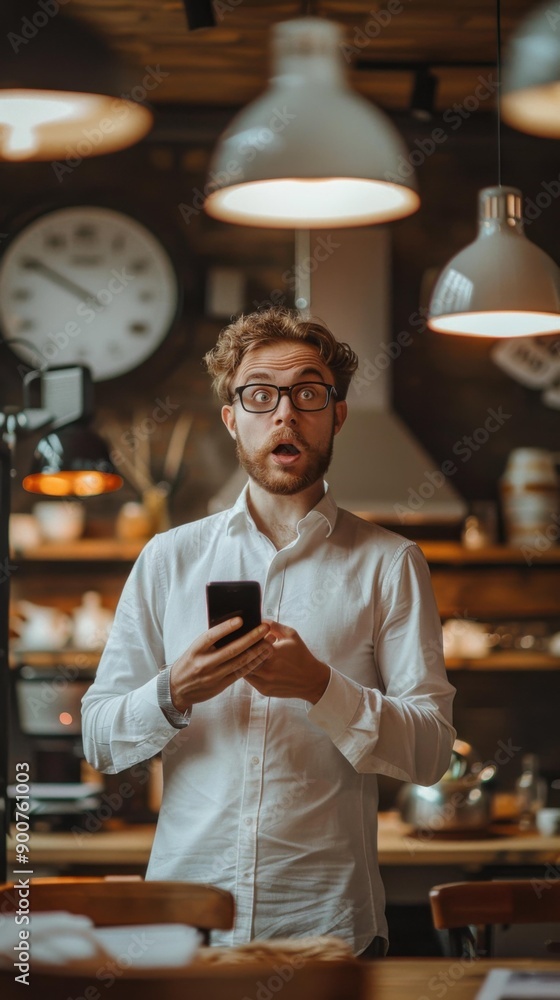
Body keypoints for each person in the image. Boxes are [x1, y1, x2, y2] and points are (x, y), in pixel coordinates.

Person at [82, 307, 455, 956]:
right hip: (184, 926)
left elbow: (431, 755)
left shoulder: (391, 563)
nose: (285, 413)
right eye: (261, 395)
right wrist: (174, 691)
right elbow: (98, 738)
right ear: (233, 417)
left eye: (308, 393)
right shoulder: (168, 559)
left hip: (328, 928)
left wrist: (320, 687)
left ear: (336, 414)